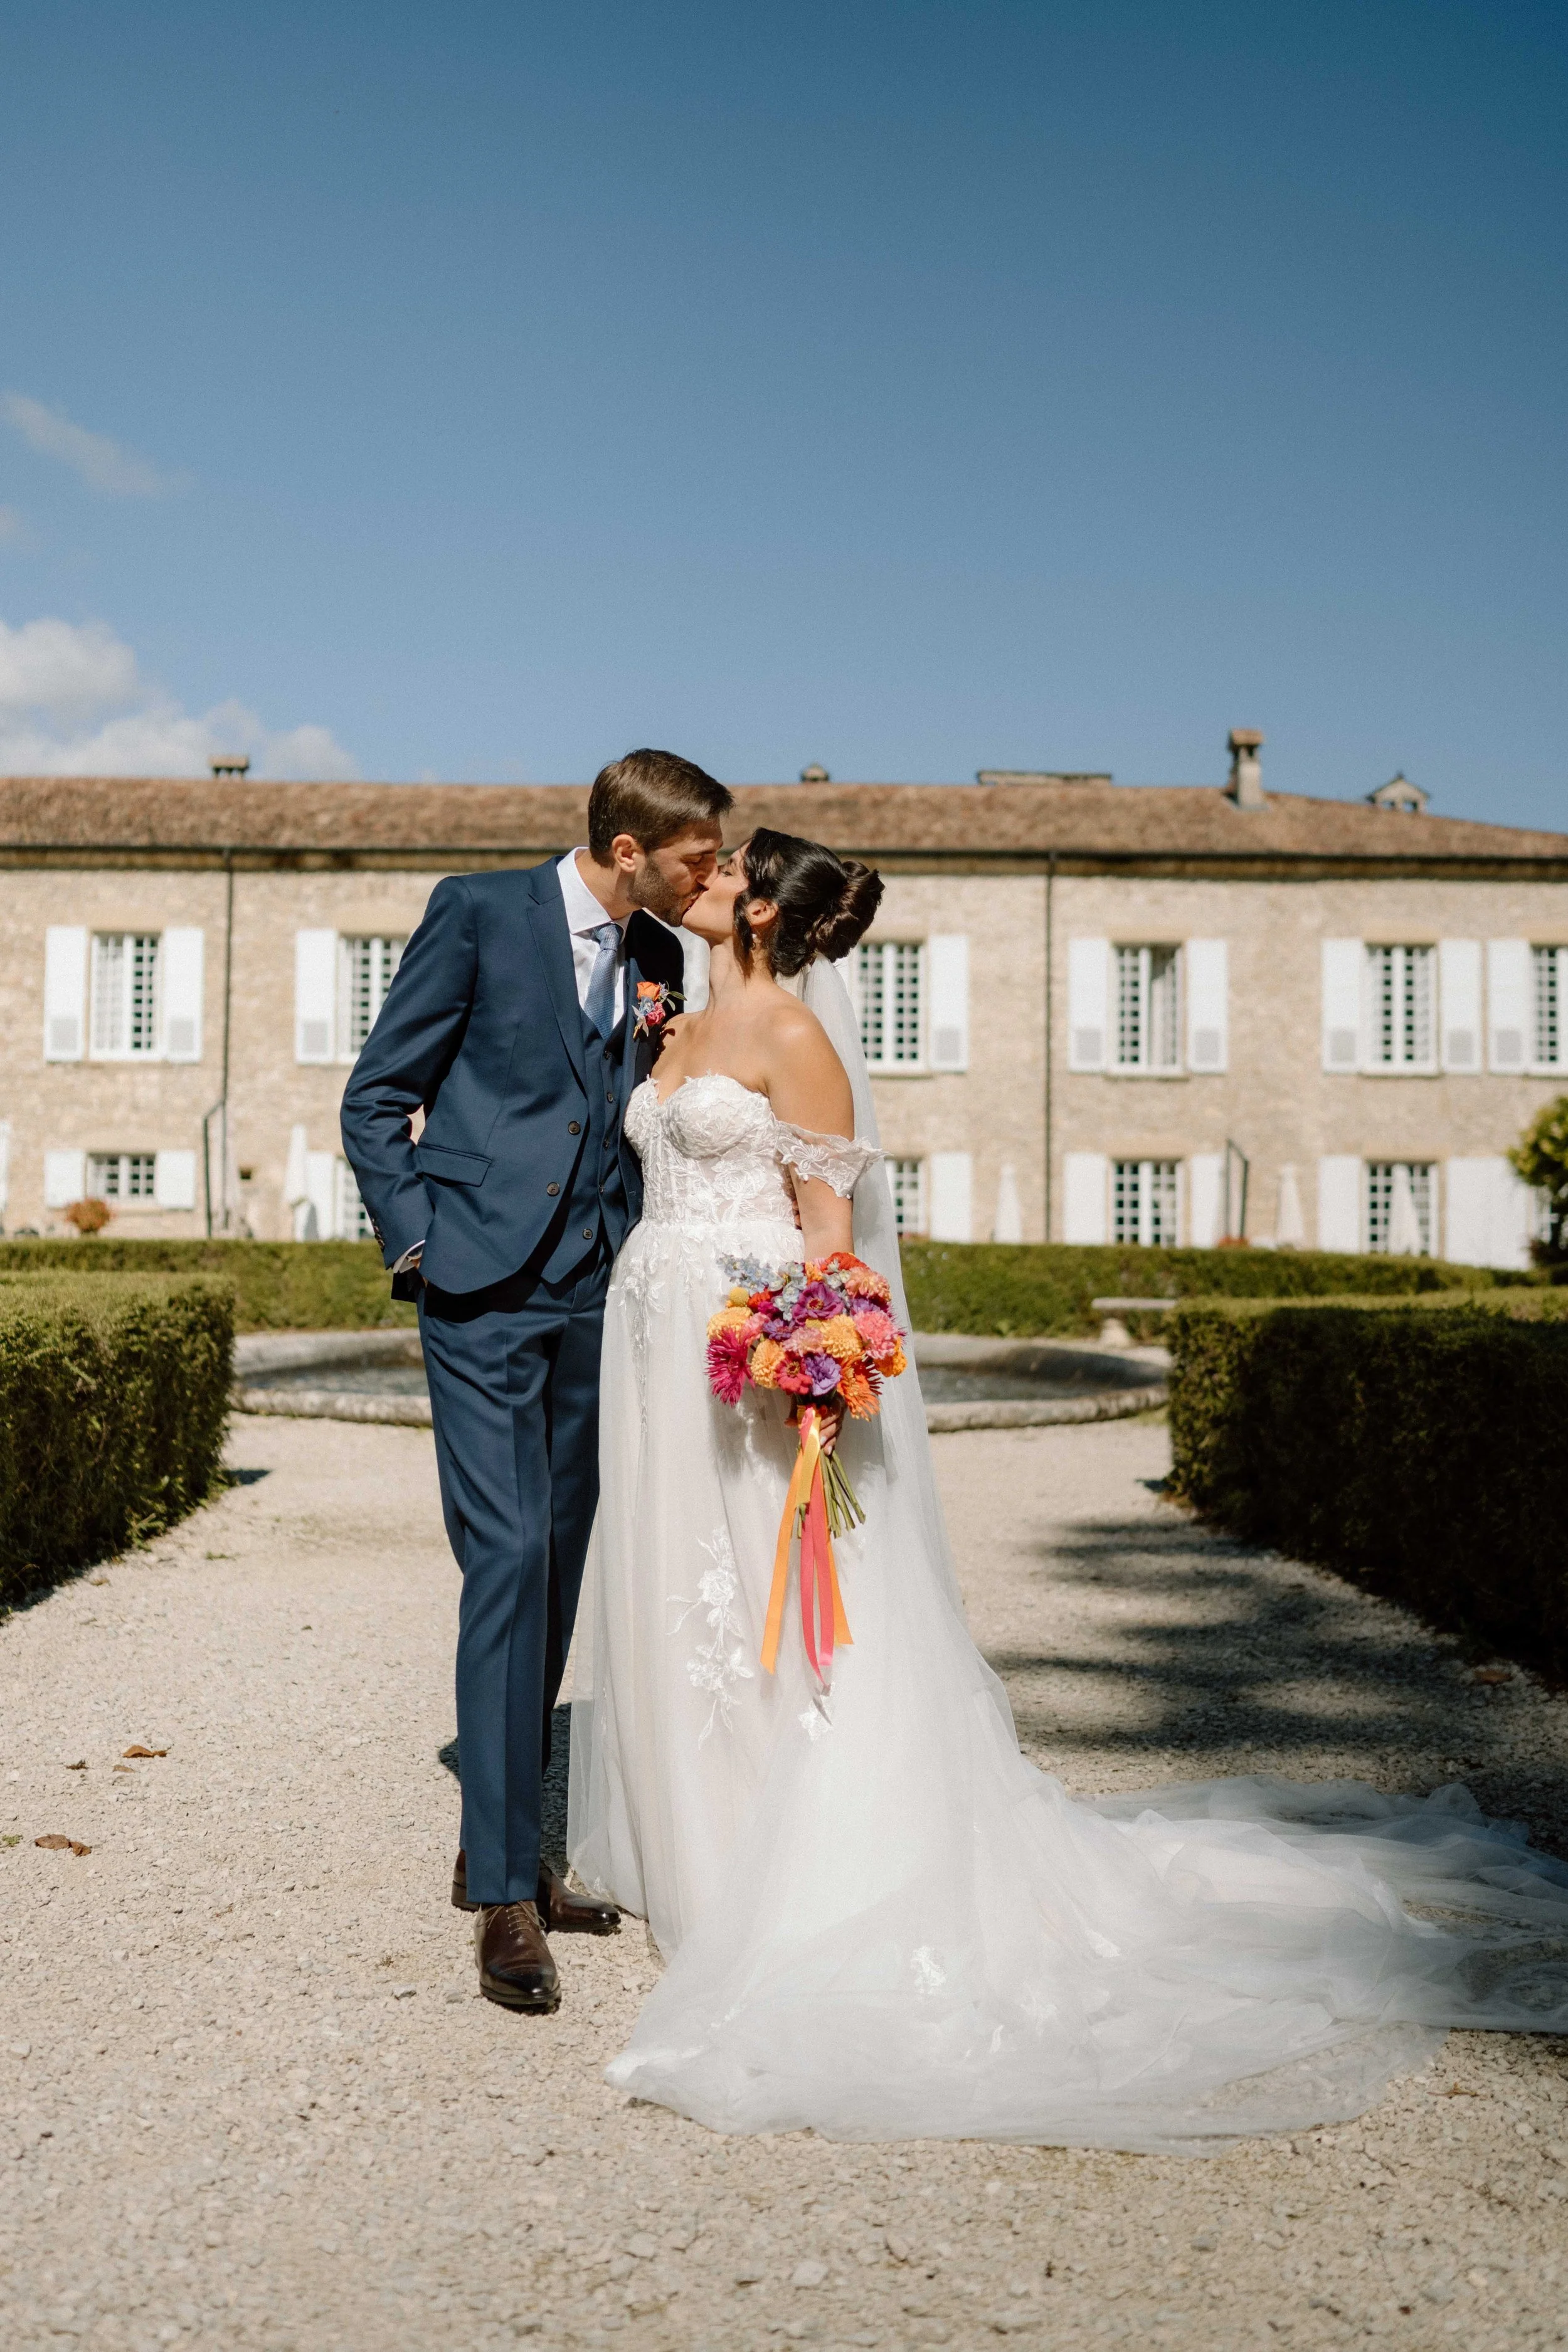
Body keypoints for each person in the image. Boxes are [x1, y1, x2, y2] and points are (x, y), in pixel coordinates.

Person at [568, 827, 1568, 2151]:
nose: (697, 874)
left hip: (753, 1358)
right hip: (655, 1352)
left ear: (758, 909)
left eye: (724, 866)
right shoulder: (676, 1024)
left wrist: (815, 1367)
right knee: (675, 1586)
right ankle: (690, 1845)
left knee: (773, 1599)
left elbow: (831, 1240)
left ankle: (788, 1868)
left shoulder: (795, 1036)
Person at [341, 749, 731, 2012]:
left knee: (560, 1559)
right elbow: (377, 1097)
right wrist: (417, 1238)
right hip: (478, 1292)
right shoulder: (475, 912)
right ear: (628, 849)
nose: (708, 874)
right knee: (506, 1557)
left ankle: (501, 1837)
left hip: (595, 1299)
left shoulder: (663, 963)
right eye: (695, 857)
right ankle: (506, 1893)